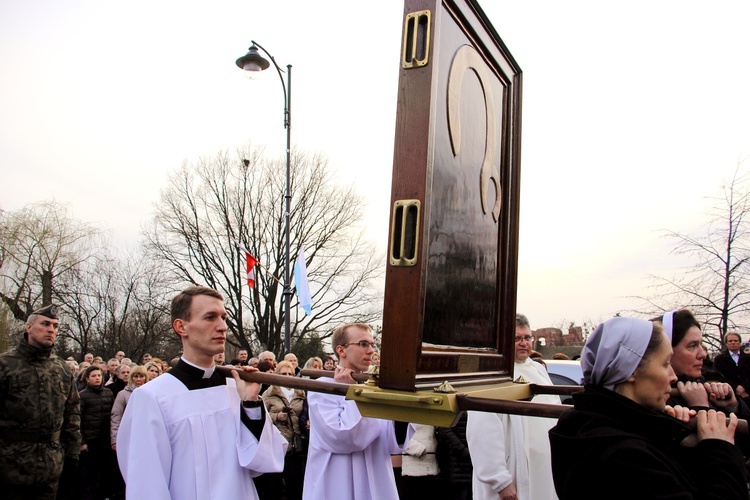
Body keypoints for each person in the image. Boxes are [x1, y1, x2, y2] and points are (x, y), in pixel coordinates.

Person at [116, 286, 287, 499]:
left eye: (224, 317)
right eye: (210, 317)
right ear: (181, 326)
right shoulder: (153, 397)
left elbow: (264, 461)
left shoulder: (237, 389)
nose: (223, 326)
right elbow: (146, 484)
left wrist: (251, 403)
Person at [549, 317, 746, 499]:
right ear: (631, 368)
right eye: (665, 363)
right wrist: (721, 450)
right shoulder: (622, 456)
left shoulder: (588, 425)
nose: (673, 376)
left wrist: (674, 435)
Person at [303, 323, 411, 500]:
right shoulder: (321, 388)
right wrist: (353, 393)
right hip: (335, 483)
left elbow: (392, 443)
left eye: (372, 344)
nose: (371, 351)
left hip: (375, 482)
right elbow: (343, 438)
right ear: (341, 350)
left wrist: (402, 411)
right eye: (363, 344)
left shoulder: (376, 387)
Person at [467, 313, 560, 500]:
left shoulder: (538, 370)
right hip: (513, 474)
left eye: (527, 338)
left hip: (543, 472)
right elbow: (483, 432)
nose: (523, 343)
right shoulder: (492, 375)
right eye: (517, 338)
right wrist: (499, 480)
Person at [0, 304, 81, 500]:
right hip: (9, 469)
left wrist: (72, 456)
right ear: (28, 327)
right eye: (45, 324)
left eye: (55, 326)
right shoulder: (5, 365)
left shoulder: (61, 369)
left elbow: (72, 415)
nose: (51, 330)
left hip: (50, 469)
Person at [260, 360, 308, 500]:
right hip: (276, 443)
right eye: (283, 374)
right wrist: (276, 416)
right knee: (273, 486)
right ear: (277, 375)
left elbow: (306, 412)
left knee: (295, 484)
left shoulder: (300, 393)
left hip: (295, 444)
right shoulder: (269, 393)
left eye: (290, 373)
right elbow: (261, 415)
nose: (287, 376)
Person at [79, 364, 116, 500]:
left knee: (105, 472)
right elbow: (78, 420)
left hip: (105, 439)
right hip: (90, 440)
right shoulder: (82, 396)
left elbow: (113, 416)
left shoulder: (108, 393)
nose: (97, 378)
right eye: (93, 376)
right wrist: (82, 442)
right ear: (87, 379)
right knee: (89, 474)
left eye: (99, 375)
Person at [713, 331, 750, 400]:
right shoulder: (719, 359)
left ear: (739, 343)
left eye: (735, 340)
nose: (733, 343)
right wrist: (736, 387)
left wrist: (744, 387)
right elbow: (719, 376)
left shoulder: (748, 358)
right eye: (730, 341)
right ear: (726, 343)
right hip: (729, 395)